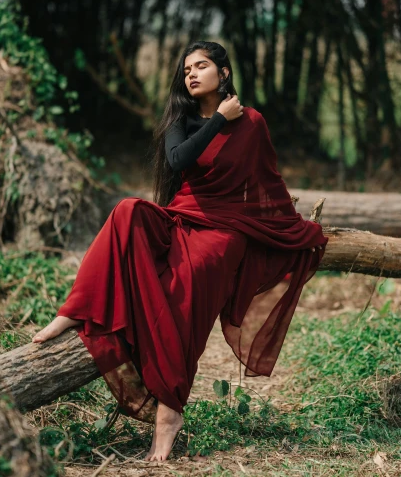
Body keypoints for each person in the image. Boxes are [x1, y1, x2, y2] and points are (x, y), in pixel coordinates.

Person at [31, 41, 328, 461]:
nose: (191, 74)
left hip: (226, 231)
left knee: (188, 283)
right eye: (187, 68)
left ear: (223, 73)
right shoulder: (182, 119)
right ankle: (74, 310)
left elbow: (268, 182)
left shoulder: (254, 123)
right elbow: (176, 161)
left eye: (201, 66)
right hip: (183, 217)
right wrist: (218, 120)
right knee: (127, 210)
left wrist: (296, 228)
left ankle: (170, 411)